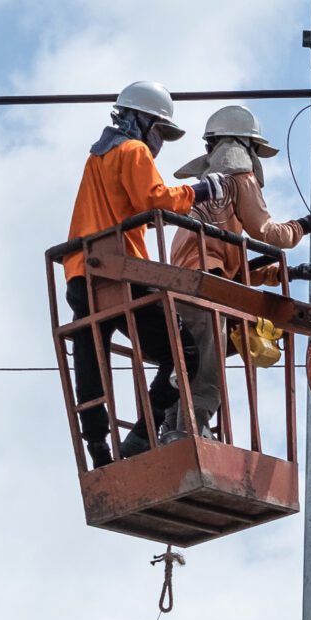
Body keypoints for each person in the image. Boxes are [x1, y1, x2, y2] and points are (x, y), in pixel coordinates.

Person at [60, 81, 220, 467]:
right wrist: (201, 190)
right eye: (161, 131)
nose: (160, 141)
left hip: (82, 273)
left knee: (90, 360)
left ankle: (98, 448)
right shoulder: (133, 151)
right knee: (184, 354)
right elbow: (156, 199)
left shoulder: (97, 158)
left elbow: (123, 210)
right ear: (145, 122)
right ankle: (141, 436)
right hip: (121, 272)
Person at [165, 105, 311, 435]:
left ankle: (172, 429)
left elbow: (229, 263)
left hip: (183, 280)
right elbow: (267, 233)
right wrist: (303, 226)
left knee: (188, 358)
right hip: (206, 283)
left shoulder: (208, 190)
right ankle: (192, 429)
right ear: (245, 145)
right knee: (208, 362)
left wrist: (291, 273)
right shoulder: (239, 178)